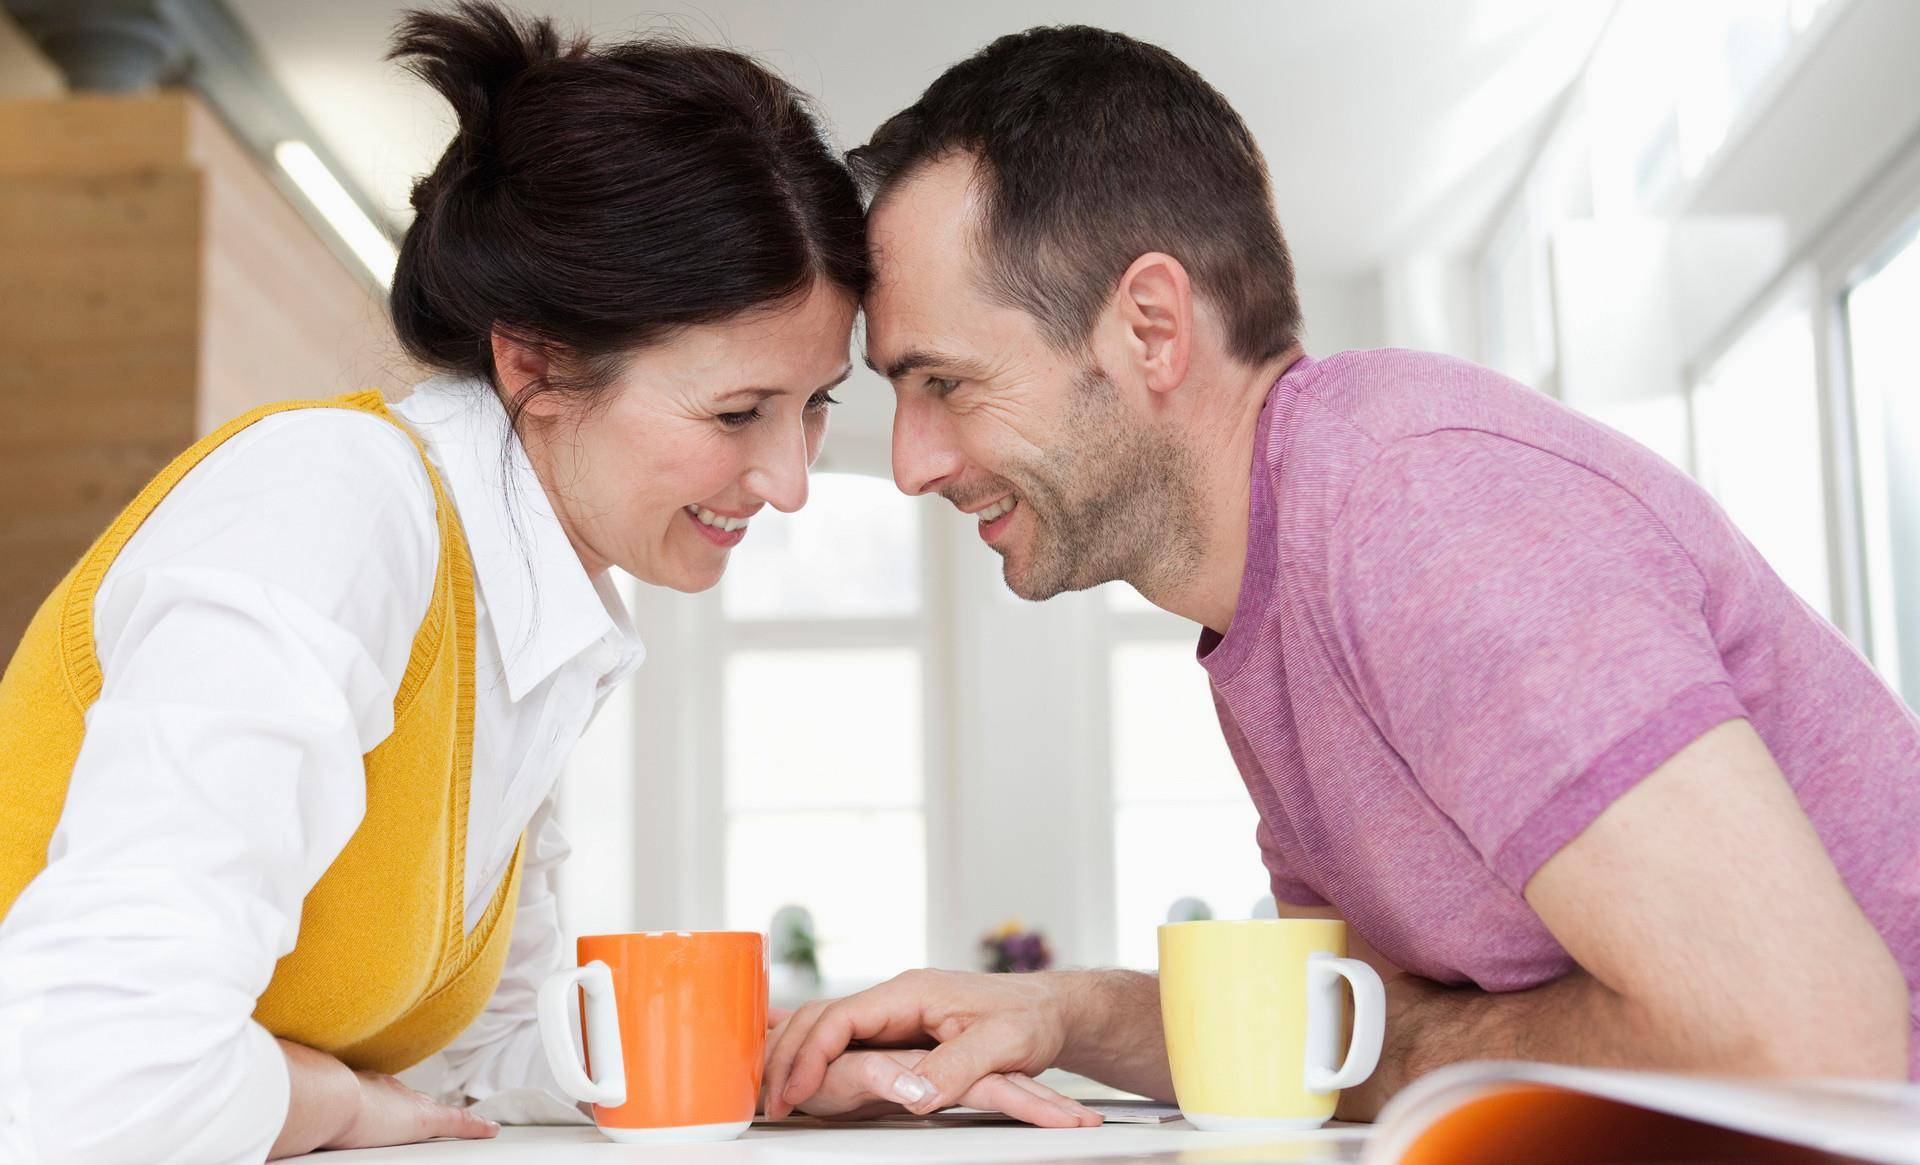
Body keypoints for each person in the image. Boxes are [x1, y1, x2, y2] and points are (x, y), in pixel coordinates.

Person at [763, 24, 1920, 1124]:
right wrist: (1054, 1008)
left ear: (1153, 327)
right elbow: (1340, 1035)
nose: (910, 463)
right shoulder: (1271, 596)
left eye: (946, 383)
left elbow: (1810, 1044)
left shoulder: (1417, 505)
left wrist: (1418, 1044)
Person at [0, 4, 905, 1160]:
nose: (789, 481)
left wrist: (773, 1063)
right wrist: (336, 1103)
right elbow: (92, 1072)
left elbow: (476, 1052)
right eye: (737, 412)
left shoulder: (527, 610)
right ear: (533, 361)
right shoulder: (330, 510)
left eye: (816, 403)